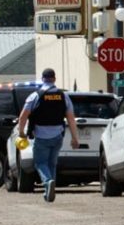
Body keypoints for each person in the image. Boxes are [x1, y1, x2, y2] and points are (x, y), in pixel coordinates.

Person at [17, 68, 79, 203]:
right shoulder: (64, 96)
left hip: (41, 136)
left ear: (43, 79)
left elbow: (23, 116)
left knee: (40, 163)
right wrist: (75, 138)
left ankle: (48, 182)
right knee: (52, 163)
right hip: (58, 136)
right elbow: (71, 119)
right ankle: (50, 190)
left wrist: (21, 133)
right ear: (54, 79)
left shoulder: (35, 95)